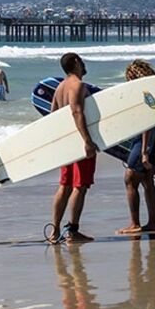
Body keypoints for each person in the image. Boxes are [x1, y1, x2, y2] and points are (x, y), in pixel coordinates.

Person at [50, 53, 97, 244]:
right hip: (80, 143)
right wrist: (87, 140)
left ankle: (54, 232)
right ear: (76, 62)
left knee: (65, 186)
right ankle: (73, 231)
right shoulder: (78, 85)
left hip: (67, 144)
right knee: (80, 186)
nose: (84, 64)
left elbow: (52, 116)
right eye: (82, 61)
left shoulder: (60, 88)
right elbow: (77, 111)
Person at [117, 59, 155, 235]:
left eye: (129, 77)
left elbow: (148, 121)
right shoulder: (151, 92)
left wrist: (144, 152)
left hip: (147, 139)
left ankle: (134, 223)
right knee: (147, 179)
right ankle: (152, 223)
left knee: (130, 178)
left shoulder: (143, 93)